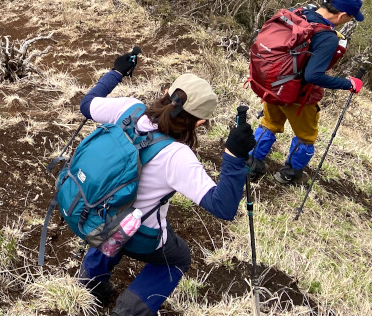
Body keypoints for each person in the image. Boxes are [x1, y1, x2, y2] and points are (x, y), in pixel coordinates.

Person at [77, 53, 256, 316]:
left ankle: (90, 281)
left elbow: (86, 104)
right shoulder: (177, 156)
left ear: (165, 92)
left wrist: (116, 72)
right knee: (178, 257)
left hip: (91, 209)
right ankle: (128, 312)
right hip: (135, 234)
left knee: (119, 217)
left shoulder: (128, 107)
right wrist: (232, 157)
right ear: (200, 122)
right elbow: (223, 207)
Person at [248, 0, 365, 185]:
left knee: (269, 124)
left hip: (274, 84)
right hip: (298, 96)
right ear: (343, 15)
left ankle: (252, 164)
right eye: (351, 18)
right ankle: (289, 174)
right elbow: (313, 76)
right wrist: (348, 84)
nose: (348, 21)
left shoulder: (298, 14)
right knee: (306, 136)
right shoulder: (327, 37)